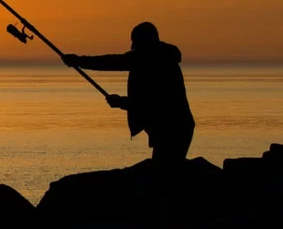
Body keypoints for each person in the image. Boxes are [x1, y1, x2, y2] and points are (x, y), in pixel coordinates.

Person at [63, 22, 194, 163]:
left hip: (171, 127)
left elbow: (151, 102)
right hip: (176, 126)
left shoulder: (148, 59)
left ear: (145, 41)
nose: (133, 47)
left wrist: (120, 102)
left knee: (164, 169)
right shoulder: (163, 58)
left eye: (136, 42)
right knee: (167, 167)